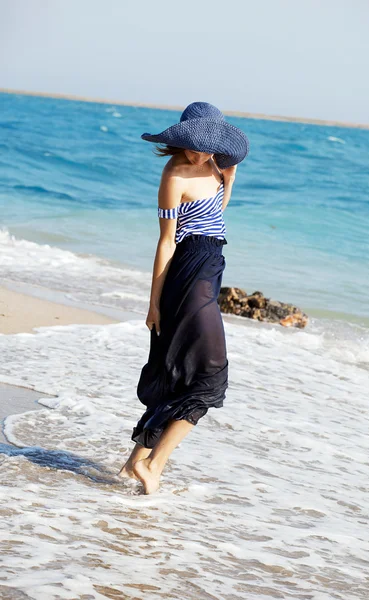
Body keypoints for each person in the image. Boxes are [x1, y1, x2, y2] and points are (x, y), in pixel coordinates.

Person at [118, 102, 249, 493]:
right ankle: (154, 465)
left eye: (208, 146)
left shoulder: (220, 166)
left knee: (181, 370)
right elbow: (166, 241)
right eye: (194, 145)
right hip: (188, 271)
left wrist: (229, 168)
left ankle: (133, 464)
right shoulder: (174, 174)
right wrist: (154, 302)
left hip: (212, 263)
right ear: (180, 140)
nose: (200, 153)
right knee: (211, 377)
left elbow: (218, 215)